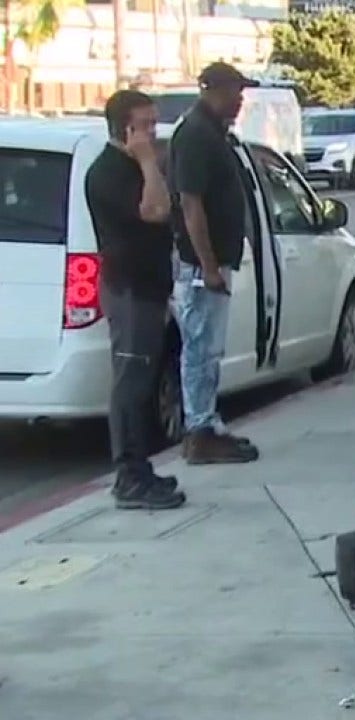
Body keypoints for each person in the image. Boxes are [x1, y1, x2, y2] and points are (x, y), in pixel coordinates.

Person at [85, 90, 186, 510]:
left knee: (144, 382)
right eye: (144, 124)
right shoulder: (109, 173)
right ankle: (128, 474)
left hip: (149, 287)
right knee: (130, 382)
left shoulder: (132, 167)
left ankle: (141, 468)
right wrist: (147, 160)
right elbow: (156, 210)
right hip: (129, 290)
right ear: (123, 129)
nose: (153, 131)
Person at [168, 62, 260, 464]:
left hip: (216, 261)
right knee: (200, 347)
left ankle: (208, 422)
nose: (240, 100)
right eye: (234, 91)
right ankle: (199, 428)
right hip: (199, 266)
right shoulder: (195, 135)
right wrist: (206, 264)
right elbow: (191, 204)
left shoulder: (215, 134)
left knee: (209, 347)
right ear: (213, 90)